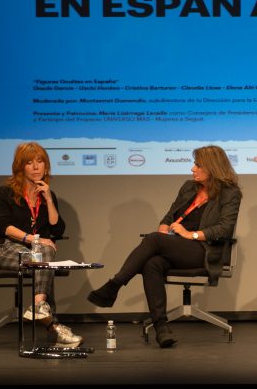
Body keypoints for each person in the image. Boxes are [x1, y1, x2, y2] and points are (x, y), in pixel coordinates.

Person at [87, 145, 241, 348]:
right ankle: (161, 328)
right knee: (152, 263)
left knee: (154, 240)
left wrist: (190, 234)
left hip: (204, 251)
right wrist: (164, 228)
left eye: (197, 165)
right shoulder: (189, 187)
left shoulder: (230, 193)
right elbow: (170, 216)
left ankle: (114, 285)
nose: (192, 169)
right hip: (177, 247)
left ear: (212, 168)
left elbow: (225, 228)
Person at [0, 142, 82, 346]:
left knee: (43, 256)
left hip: (35, 255)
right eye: (29, 163)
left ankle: (38, 305)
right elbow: (4, 227)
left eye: (40, 162)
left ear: (46, 166)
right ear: (20, 167)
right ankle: (53, 327)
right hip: (5, 250)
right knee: (44, 254)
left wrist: (49, 199)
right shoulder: (6, 192)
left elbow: (57, 229)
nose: (35, 167)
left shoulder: (47, 196)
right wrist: (34, 239)